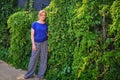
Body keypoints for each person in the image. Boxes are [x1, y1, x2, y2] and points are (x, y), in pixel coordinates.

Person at [24, 10, 48, 80]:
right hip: (36, 43)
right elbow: (32, 35)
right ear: (39, 15)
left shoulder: (46, 24)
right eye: (42, 15)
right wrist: (33, 44)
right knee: (33, 59)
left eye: (44, 15)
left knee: (43, 59)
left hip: (44, 43)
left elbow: (47, 33)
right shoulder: (34, 24)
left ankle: (41, 75)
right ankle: (29, 74)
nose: (43, 16)